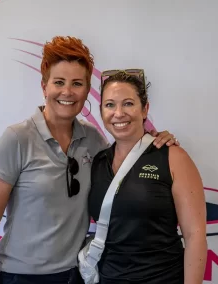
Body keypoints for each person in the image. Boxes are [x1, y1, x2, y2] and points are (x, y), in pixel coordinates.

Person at [0, 36, 179, 284]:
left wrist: (156, 140)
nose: (67, 92)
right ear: (44, 87)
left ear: (86, 89)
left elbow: (129, 162)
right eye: (59, 82)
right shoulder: (17, 139)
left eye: (77, 83)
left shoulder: (93, 139)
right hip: (21, 276)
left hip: (77, 274)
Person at [88, 70, 207, 284]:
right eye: (110, 105)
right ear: (101, 112)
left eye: (128, 103)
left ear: (145, 109)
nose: (119, 113)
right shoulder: (98, 162)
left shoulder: (172, 157)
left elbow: (195, 235)